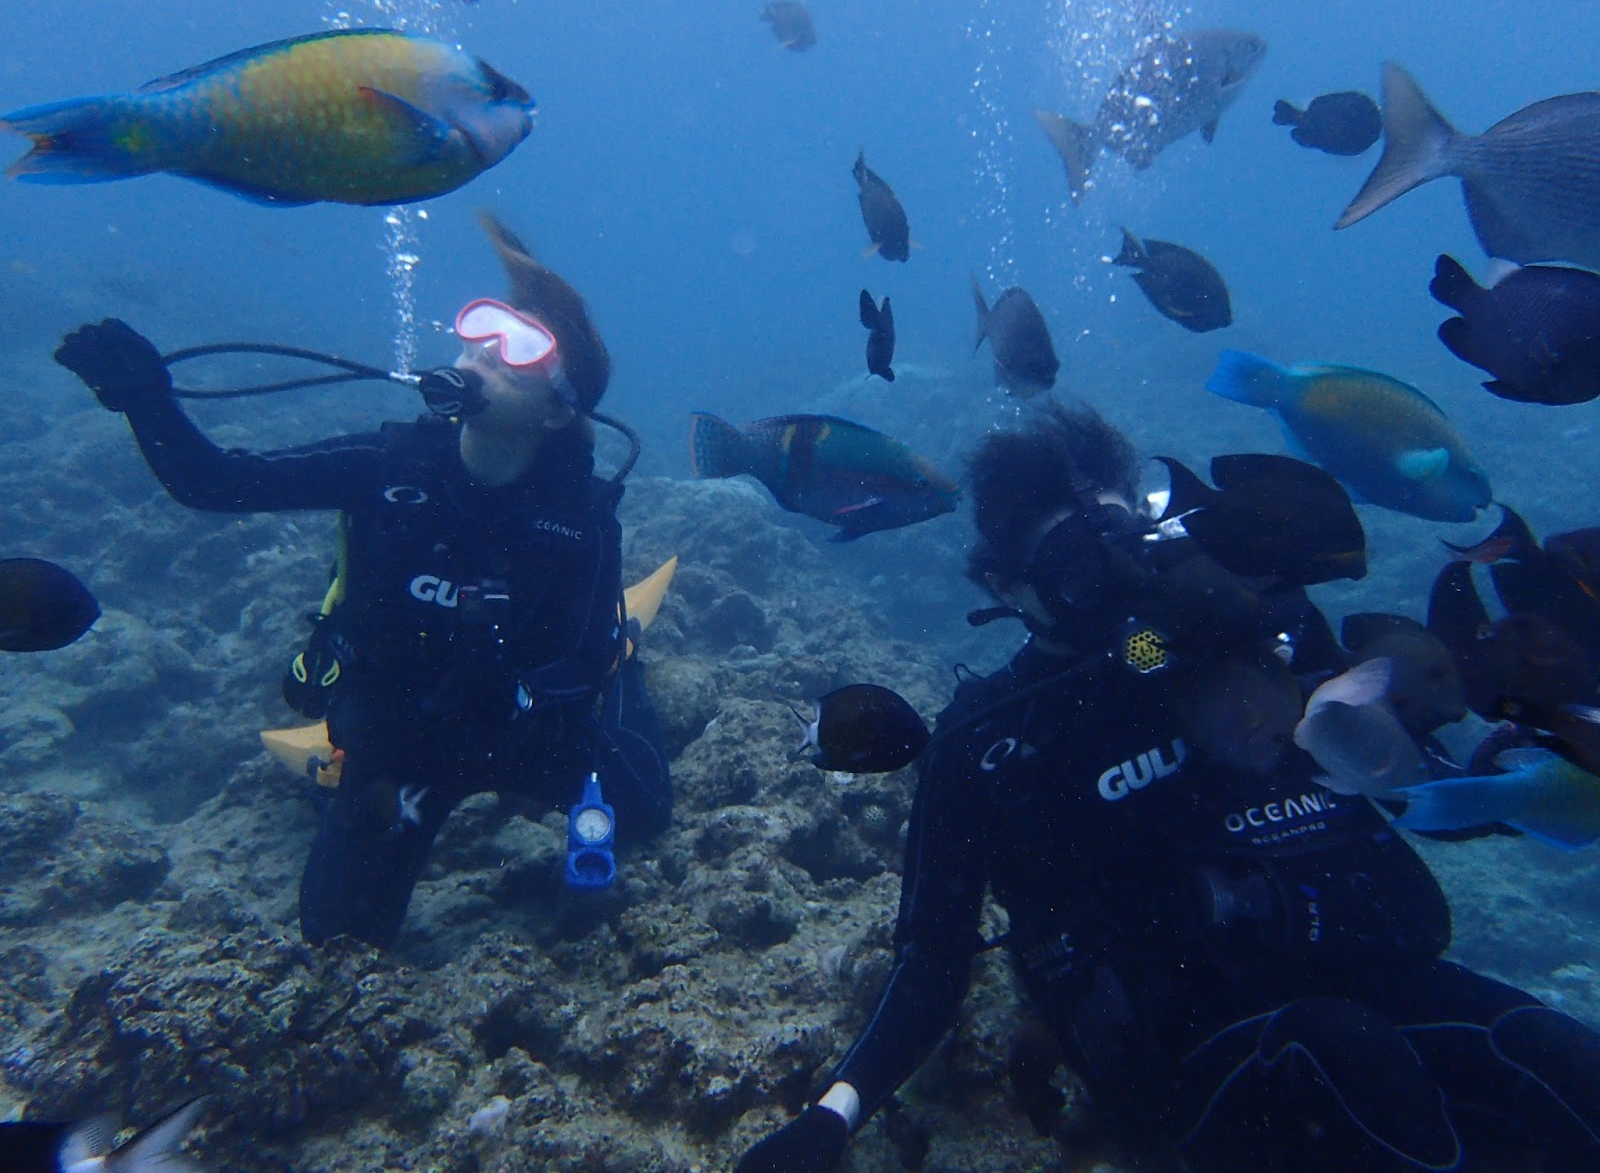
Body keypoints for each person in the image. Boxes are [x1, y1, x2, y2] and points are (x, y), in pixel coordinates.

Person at [736, 401, 1600, 1173]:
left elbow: (1401, 784)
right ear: (1004, 585)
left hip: (1369, 976)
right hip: (1189, 1056)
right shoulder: (989, 737)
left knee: (1547, 1044)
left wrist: (1493, 773)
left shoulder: (1249, 656)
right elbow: (932, 965)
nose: (1116, 586)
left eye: (1125, 547)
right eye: (1078, 567)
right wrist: (831, 1116)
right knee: (1340, 1050)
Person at [53, 214, 672, 949]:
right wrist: (148, 403)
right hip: (400, 744)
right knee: (340, 937)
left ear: (557, 412)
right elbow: (218, 483)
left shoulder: (581, 517)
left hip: (525, 733)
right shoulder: (386, 467)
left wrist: (527, 691)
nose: (480, 363)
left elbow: (578, 658)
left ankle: (635, 670)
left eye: (516, 364)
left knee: (646, 811)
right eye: (479, 343)